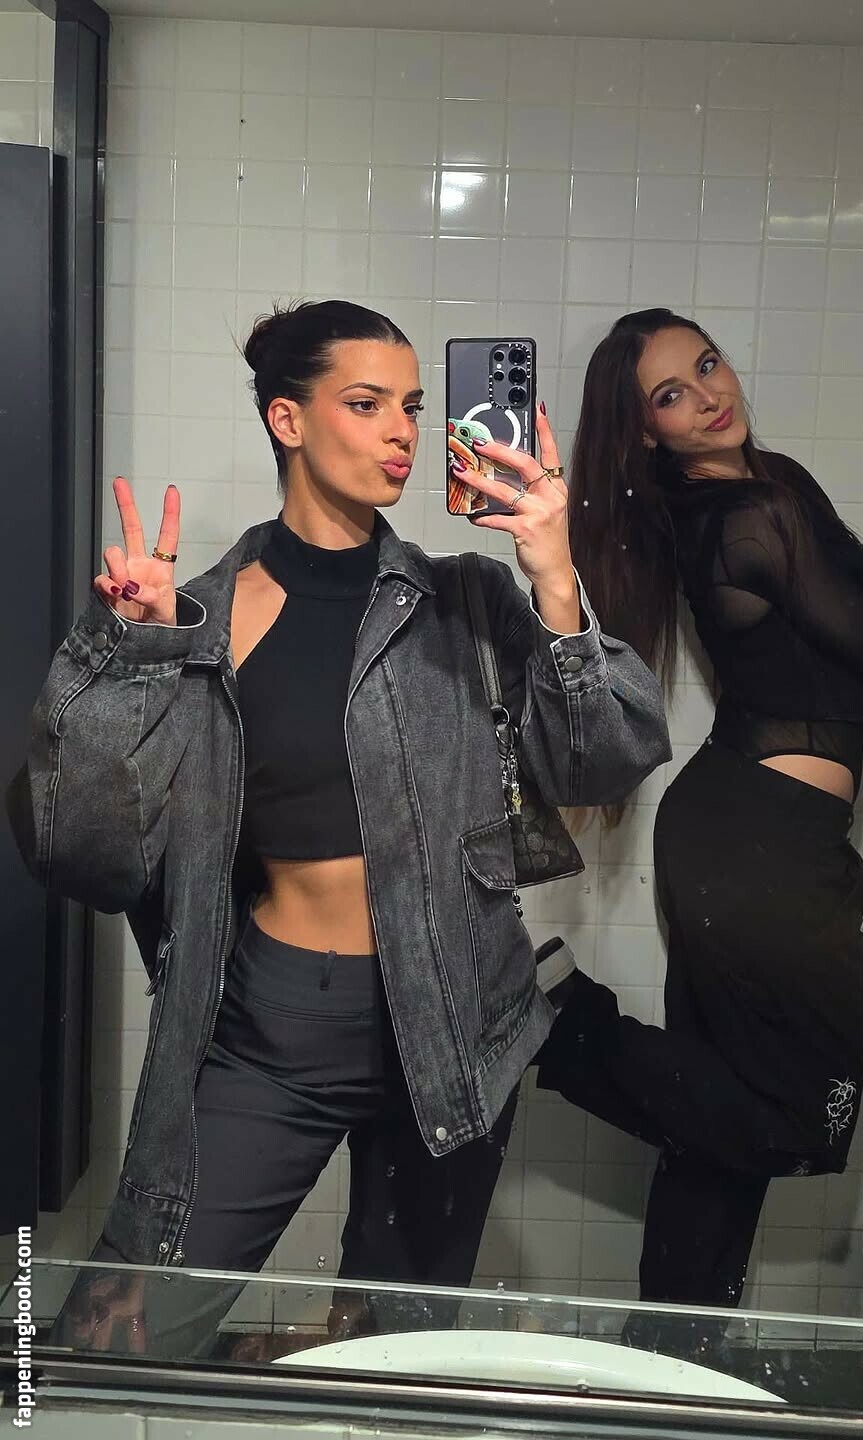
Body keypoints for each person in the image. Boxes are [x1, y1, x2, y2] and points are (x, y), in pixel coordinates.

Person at [7, 299, 670, 1357]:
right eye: (366, 404)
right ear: (289, 418)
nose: (403, 430)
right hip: (273, 1028)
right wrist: (129, 654)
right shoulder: (200, 620)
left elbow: (605, 761)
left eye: (411, 405)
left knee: (395, 1350)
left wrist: (554, 575)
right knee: (116, 1342)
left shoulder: (468, 602)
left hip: (454, 1022)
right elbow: (83, 853)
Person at [536, 308, 863, 1318]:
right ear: (648, 429)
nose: (709, 395)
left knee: (717, 1137)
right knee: (801, 1116)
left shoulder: (762, 485)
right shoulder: (747, 517)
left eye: (707, 365)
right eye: (672, 395)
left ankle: (680, 1351)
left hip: (753, 840)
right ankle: (562, 1029)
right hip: (758, 850)